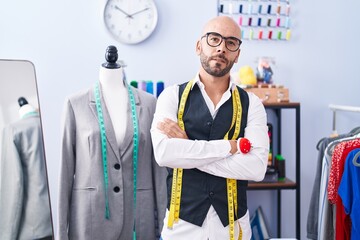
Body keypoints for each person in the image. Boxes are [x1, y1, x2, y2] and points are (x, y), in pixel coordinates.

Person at [150, 16, 269, 240]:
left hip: (234, 229)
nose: (222, 48)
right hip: (181, 228)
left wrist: (188, 150)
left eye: (231, 43)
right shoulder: (171, 97)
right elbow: (164, 154)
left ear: (237, 54)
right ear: (199, 46)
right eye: (214, 39)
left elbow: (256, 168)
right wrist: (229, 148)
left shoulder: (252, 104)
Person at [58, 46, 167, 240]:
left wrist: (165, 229)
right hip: (90, 219)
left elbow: (159, 171)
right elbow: (65, 172)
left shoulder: (150, 103)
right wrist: (61, 232)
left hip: (138, 219)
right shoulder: (75, 104)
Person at [0, 98, 52, 240]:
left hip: (34, 228)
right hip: (60, 220)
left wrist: (6, 235)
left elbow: (12, 185)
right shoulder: (51, 124)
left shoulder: (13, 130)